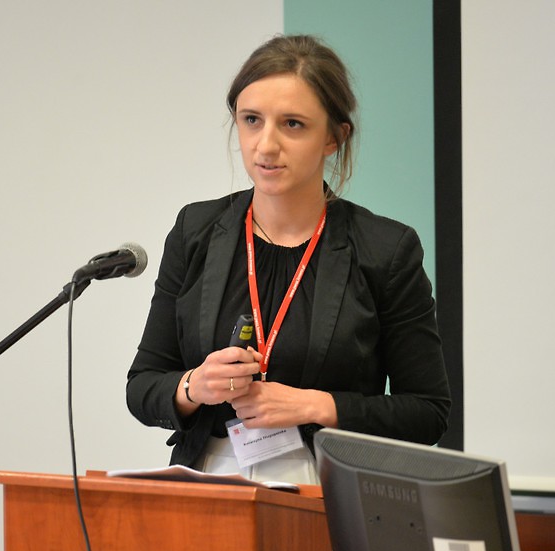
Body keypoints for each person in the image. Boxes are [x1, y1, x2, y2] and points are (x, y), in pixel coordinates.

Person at [126, 34, 450, 484]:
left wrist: (317, 405)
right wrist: (192, 386)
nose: (265, 145)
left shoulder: (385, 249)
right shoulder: (195, 230)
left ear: (334, 137)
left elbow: (428, 413)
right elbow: (142, 386)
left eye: (292, 124)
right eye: (251, 120)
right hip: (206, 483)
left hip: (328, 487)